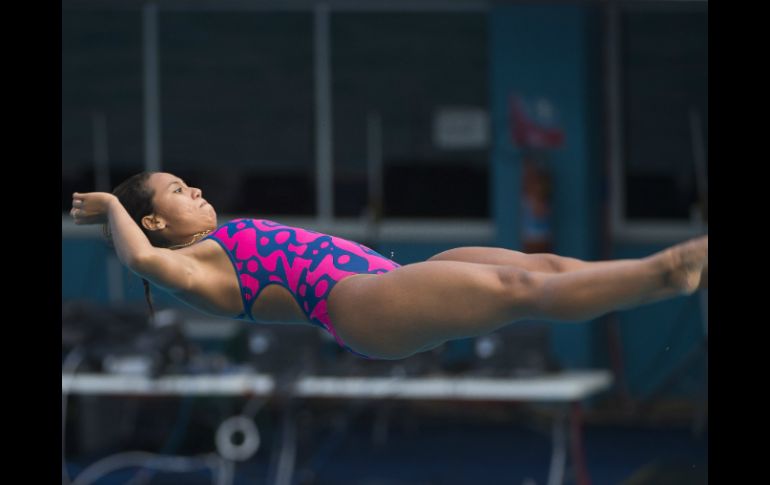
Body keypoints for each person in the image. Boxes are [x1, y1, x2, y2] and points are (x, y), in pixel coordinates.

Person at [70, 172, 707, 360]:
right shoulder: (193, 269)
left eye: (190, 183)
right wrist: (107, 209)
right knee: (521, 288)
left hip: (390, 275)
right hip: (361, 304)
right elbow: (141, 259)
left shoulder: (222, 235)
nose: (196, 191)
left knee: (550, 266)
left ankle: (661, 270)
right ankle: (665, 273)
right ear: (152, 221)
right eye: (177, 193)